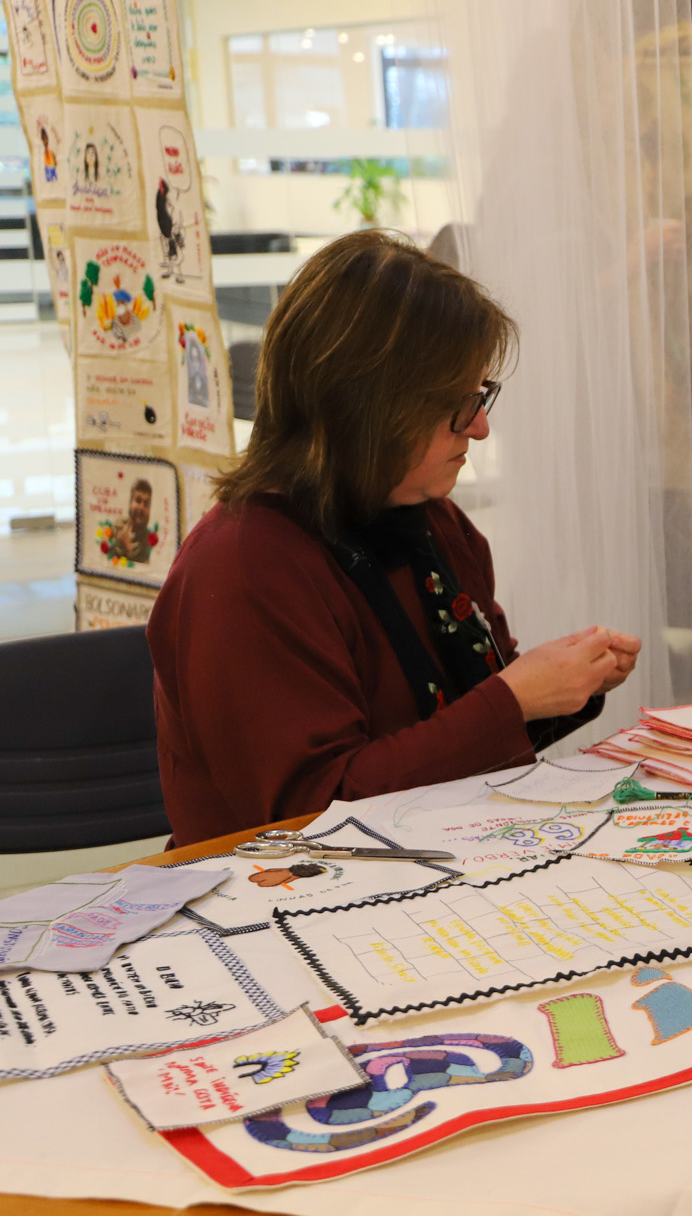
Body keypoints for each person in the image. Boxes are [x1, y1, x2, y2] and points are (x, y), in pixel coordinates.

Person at [148, 230, 641, 846]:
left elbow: (456, 731)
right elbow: (310, 815)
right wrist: (514, 699)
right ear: (370, 408)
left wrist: (561, 688)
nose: (482, 429)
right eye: (460, 404)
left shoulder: (423, 516)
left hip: (436, 864)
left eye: (482, 396)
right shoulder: (243, 568)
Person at [106, 478, 155, 564]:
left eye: (146, 503)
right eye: (138, 501)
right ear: (130, 502)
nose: (141, 507)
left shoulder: (150, 542)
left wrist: (128, 550)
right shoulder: (117, 526)